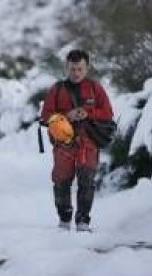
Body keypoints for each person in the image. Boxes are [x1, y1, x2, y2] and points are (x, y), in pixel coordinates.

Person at [41, 49, 113, 231]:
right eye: (73, 69)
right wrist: (66, 116)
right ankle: (64, 219)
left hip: (88, 143)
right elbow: (45, 116)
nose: (76, 73)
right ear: (67, 67)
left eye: (80, 69)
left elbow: (108, 113)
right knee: (61, 181)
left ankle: (83, 222)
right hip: (63, 144)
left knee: (87, 181)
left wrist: (89, 112)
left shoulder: (95, 88)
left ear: (87, 68)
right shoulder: (57, 89)